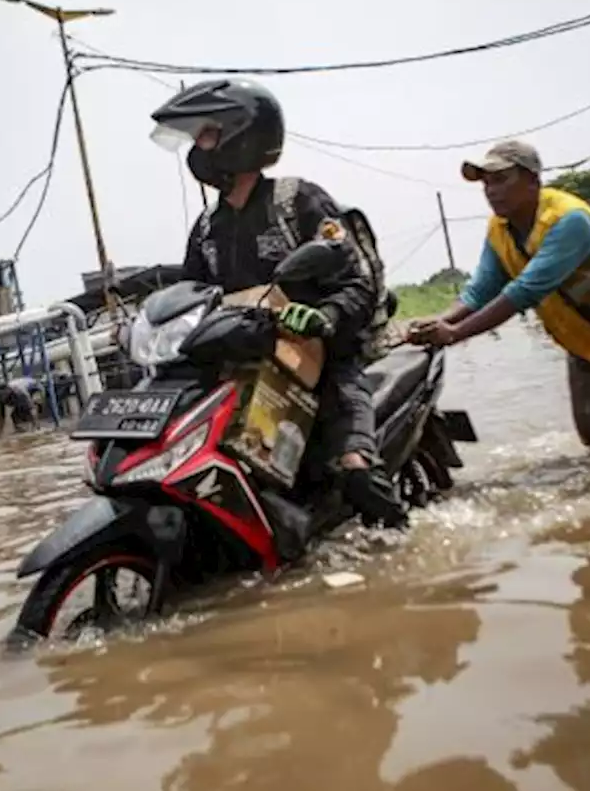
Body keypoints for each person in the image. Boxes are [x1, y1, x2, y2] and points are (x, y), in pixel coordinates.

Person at [150, 78, 406, 529]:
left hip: (320, 363)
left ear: (242, 136)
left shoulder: (298, 201)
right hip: (246, 366)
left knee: (354, 470)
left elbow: (357, 281)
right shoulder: (207, 227)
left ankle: (405, 547)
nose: (197, 148)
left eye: (205, 135)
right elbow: (191, 295)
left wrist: (324, 315)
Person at [408, 140, 590, 452]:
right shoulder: (499, 229)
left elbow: (525, 291)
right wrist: (438, 321)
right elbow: (481, 289)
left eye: (501, 179)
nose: (491, 191)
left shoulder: (569, 220)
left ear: (533, 180)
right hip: (589, 343)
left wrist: (454, 334)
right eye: (486, 183)